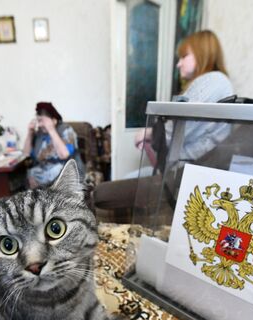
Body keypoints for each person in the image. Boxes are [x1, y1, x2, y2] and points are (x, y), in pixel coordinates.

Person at [95, 30, 234, 214]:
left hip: (188, 174)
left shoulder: (213, 80)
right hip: (182, 170)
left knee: (103, 194)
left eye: (184, 56)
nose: (179, 64)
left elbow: (175, 131)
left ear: (203, 53)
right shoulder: (214, 83)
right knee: (126, 179)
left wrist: (149, 133)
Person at [22, 102, 84, 188]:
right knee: (30, 173)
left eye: (42, 121)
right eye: (38, 121)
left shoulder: (66, 130)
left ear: (54, 120)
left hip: (64, 174)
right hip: (43, 174)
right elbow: (26, 154)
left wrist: (51, 130)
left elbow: (64, 155)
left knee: (56, 170)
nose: (39, 125)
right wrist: (30, 133)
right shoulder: (39, 134)